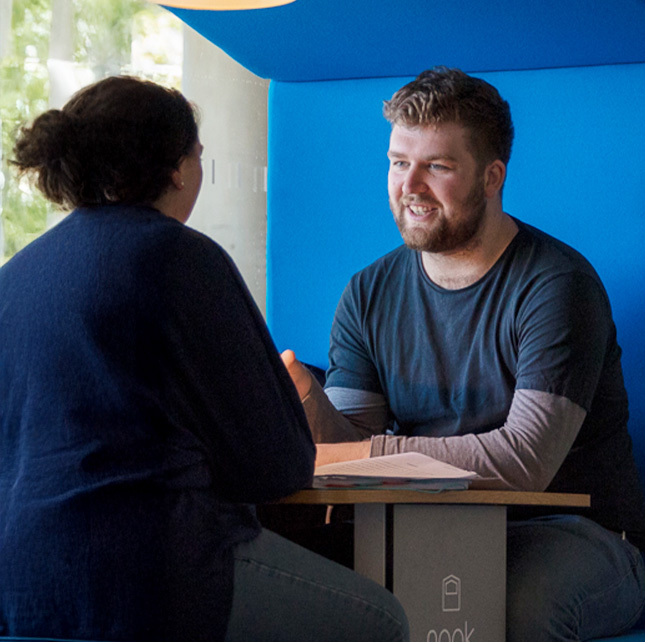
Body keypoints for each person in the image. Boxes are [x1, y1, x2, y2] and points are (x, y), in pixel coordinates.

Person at [0, 76, 408, 642]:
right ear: (175, 169)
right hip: (151, 576)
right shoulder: (179, 256)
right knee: (382, 622)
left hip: (21, 587)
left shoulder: (16, 276)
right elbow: (278, 464)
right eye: (199, 156)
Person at [282, 66, 645, 642]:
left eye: (438, 166)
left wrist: (359, 454)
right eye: (399, 162)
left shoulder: (557, 285)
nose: (410, 185)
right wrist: (304, 403)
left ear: (491, 176)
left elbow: (523, 460)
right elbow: (349, 445)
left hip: (567, 530)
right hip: (423, 528)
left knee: (512, 609)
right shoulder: (367, 292)